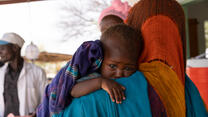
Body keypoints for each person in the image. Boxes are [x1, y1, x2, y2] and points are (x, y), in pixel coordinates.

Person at [0, 32, 47, 117]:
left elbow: (46, 101)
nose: (0, 52)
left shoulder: (38, 72)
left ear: (15, 48)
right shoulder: (1, 73)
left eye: (2, 48)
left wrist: (36, 114)